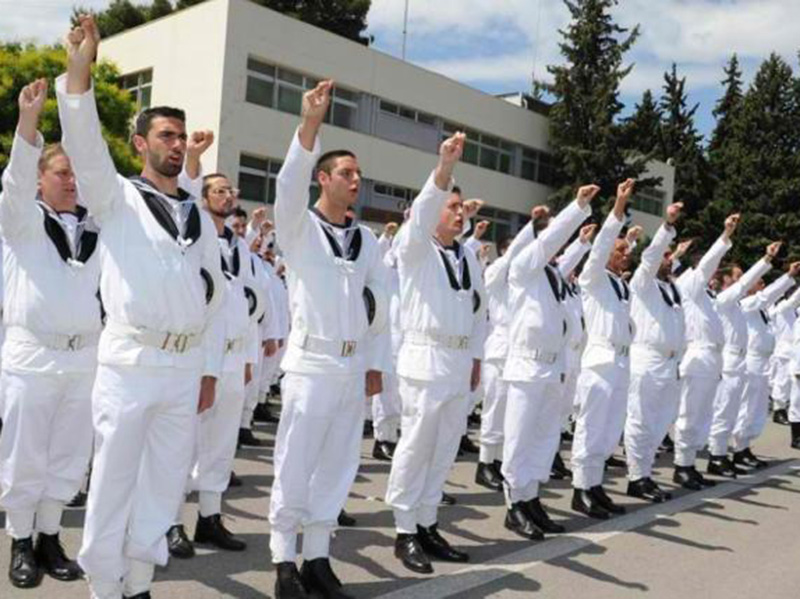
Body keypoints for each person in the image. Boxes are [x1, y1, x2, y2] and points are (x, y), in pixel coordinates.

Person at [58, 16, 226, 598]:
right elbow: (83, 140)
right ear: (140, 144)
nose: (177, 145)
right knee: (113, 483)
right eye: (165, 136)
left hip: (183, 368)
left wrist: (208, 367)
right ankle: (104, 586)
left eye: (181, 137)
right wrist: (80, 65)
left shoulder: (196, 213)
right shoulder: (117, 197)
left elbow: (214, 293)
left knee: (163, 484)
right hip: (131, 363)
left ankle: (139, 581)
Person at [269, 80, 391, 599]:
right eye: (346, 173)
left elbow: (382, 301)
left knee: (338, 467)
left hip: (350, 367)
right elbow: (287, 186)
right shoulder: (298, 228)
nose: (355, 180)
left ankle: (317, 558)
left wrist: (373, 360)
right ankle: (284, 563)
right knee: (295, 465)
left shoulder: (365, 238)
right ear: (323, 178)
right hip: (311, 366)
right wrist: (310, 125)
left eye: (358, 174)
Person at [0, 78, 102, 589]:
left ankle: (49, 537)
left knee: (67, 456)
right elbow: (14, 184)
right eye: (62, 172)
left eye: (76, 174)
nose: (72, 182)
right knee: (25, 456)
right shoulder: (21, 221)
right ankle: (20, 540)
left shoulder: (94, 227)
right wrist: (28, 122)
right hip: (32, 355)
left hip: (83, 359)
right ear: (41, 179)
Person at [385, 131, 487, 575]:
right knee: (417, 446)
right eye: (452, 206)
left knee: (445, 448)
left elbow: (480, 312)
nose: (459, 213)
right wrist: (444, 169)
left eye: (462, 207)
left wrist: (476, 359)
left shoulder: (468, 257)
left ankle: (427, 523)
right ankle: (404, 528)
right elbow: (424, 209)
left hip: (458, 363)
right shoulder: (415, 249)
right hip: (425, 360)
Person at [501, 187, 596, 538]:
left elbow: (564, 254)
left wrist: (582, 242)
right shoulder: (523, 266)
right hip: (526, 366)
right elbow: (548, 243)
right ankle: (514, 504)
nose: (557, 245)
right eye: (551, 235)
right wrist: (578, 207)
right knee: (519, 439)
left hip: (552, 367)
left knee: (543, 438)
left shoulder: (553, 274)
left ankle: (531, 498)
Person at [570, 179, 638, 519]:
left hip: (621, 363)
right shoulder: (593, 277)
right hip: (599, 361)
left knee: (610, 430)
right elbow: (599, 250)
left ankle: (595, 485)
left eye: (627, 251)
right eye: (620, 249)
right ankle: (581, 488)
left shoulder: (620, 285)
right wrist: (618, 208)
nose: (626, 254)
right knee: (591, 427)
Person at [672, 214, 740, 490]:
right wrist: (725, 236)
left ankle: (690, 464)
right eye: (710, 270)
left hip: (712, 359)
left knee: (702, 416)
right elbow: (705, 267)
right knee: (689, 415)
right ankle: (681, 466)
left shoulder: (708, 297)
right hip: (697, 357)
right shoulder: (688, 285)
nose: (714, 274)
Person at [623, 202, 685, 503]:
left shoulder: (671, 288)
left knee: (661, 421)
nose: (669, 259)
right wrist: (667, 226)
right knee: (641, 420)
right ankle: (636, 477)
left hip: (669, 362)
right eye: (665, 255)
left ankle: (646, 473)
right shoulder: (642, 283)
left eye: (671, 256)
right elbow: (648, 260)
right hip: (646, 359)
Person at [706, 245, 781, 477]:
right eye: (736, 277)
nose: (741, 282)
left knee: (735, 411)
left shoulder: (738, 305)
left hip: (741, 361)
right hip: (730, 360)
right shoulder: (725, 300)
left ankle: (732, 452)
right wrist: (767, 260)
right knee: (724, 411)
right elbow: (760, 294)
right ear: (725, 281)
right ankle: (717, 456)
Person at [732, 263, 799, 467]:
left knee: (757, 409)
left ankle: (745, 447)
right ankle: (738, 449)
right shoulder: (745, 303)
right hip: (751, 361)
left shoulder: (760, 310)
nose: (762, 285)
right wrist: (788, 276)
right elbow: (767, 296)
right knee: (746, 407)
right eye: (759, 282)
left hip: (762, 361)